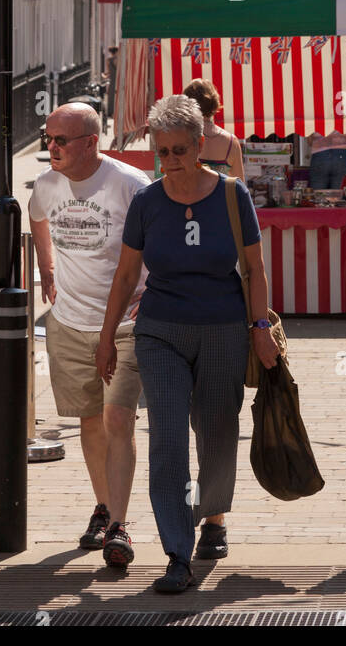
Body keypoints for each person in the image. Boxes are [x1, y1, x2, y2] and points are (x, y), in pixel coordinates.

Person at [96, 94, 278, 594]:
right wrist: (108, 337)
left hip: (222, 328)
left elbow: (255, 269)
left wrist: (260, 329)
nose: (171, 161)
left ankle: (211, 518)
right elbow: (127, 273)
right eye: (163, 151)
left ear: (201, 145)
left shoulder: (231, 196)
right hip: (160, 331)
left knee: (217, 433)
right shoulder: (147, 202)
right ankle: (177, 551)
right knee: (169, 439)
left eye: (180, 150)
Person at [28, 102, 150, 568]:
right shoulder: (47, 184)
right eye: (48, 138)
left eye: (61, 140)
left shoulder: (129, 186)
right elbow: (37, 217)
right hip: (69, 321)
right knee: (90, 422)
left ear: (91, 143)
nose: (51, 148)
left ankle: (119, 525)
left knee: (118, 419)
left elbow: (156, 242)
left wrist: (151, 291)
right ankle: (104, 507)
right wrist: (46, 268)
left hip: (123, 325)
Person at [183, 78, 244, 180]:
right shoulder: (231, 141)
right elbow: (239, 184)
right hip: (219, 196)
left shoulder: (180, 136)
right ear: (214, 103)